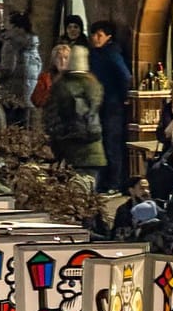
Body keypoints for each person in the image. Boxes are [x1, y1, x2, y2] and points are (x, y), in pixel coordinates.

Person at [45, 45, 107, 186]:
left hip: (71, 148)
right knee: (89, 190)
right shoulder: (94, 84)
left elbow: (52, 117)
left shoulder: (62, 85)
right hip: (95, 148)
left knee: (74, 194)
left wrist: (54, 145)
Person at [88, 21, 133, 192]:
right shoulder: (95, 53)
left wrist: (123, 97)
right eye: (93, 34)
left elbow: (124, 76)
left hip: (112, 105)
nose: (95, 38)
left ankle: (114, 182)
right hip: (100, 104)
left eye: (99, 35)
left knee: (112, 143)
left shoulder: (112, 54)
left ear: (108, 37)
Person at [0, 11, 41, 125]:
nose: (4, 25)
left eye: (6, 22)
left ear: (13, 26)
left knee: (11, 129)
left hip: (11, 93)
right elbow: (38, 66)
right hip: (28, 93)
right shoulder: (33, 44)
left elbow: (7, 68)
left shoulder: (10, 43)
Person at [33, 43, 70, 111]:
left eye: (66, 57)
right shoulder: (44, 79)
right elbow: (37, 101)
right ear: (54, 60)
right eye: (59, 58)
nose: (63, 61)